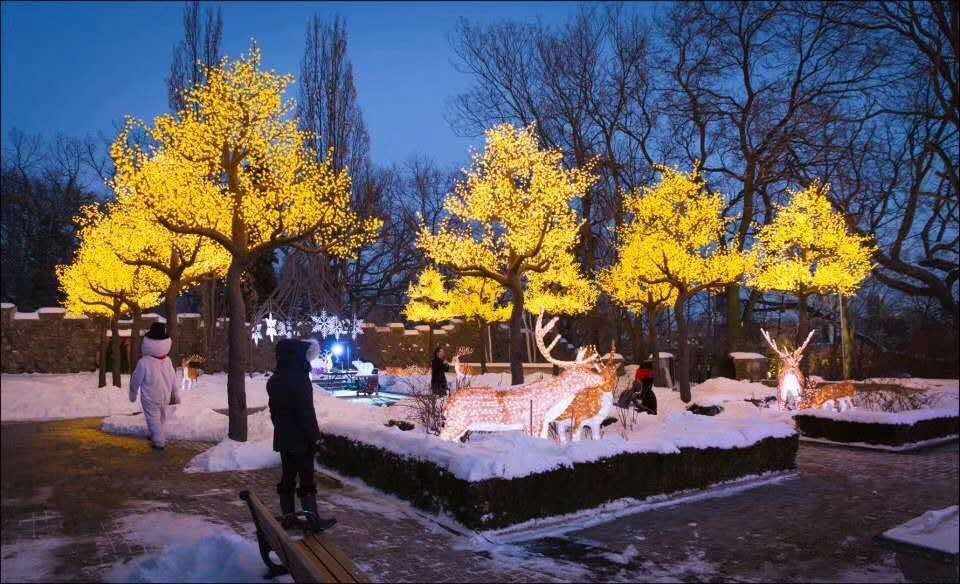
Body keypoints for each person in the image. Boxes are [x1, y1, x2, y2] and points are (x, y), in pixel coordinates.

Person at [267, 338, 336, 532]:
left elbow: (274, 411)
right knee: (306, 479)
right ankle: (313, 522)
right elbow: (306, 413)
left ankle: (289, 518)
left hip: (283, 438)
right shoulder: (300, 380)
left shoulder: (276, 379)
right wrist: (316, 438)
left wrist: (282, 428)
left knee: (287, 477)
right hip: (301, 440)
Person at [129, 323, 179, 449]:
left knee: (153, 419)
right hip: (165, 396)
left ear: (147, 342)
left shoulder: (144, 362)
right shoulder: (167, 361)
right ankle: (157, 434)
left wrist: (133, 393)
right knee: (161, 417)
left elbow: (136, 379)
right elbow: (173, 378)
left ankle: (159, 441)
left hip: (150, 397)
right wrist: (175, 392)